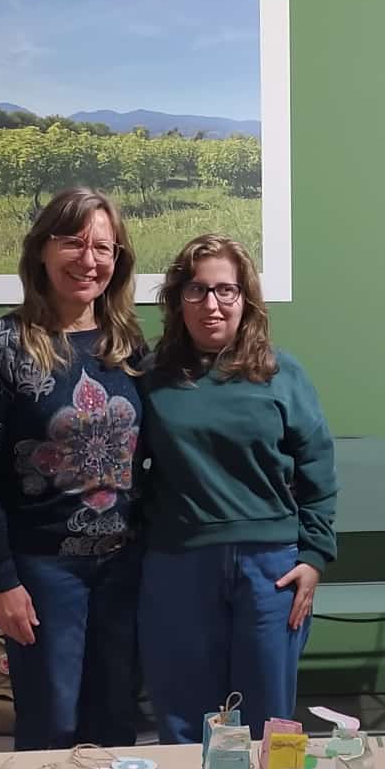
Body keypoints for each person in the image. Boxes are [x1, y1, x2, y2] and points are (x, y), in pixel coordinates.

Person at [0, 188, 145, 750]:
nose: (89, 260)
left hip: (124, 569)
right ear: (41, 249)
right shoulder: (4, 345)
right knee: (51, 725)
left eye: (103, 248)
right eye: (73, 243)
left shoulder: (128, 345)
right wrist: (1, 580)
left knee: (116, 723)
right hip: (43, 572)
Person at [138, 234, 338, 742]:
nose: (211, 304)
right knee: (184, 717)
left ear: (245, 298)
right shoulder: (152, 377)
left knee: (269, 720)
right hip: (178, 565)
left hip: (271, 571)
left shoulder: (281, 373)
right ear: (177, 300)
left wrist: (315, 556)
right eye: (197, 290)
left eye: (225, 290)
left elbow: (317, 465)